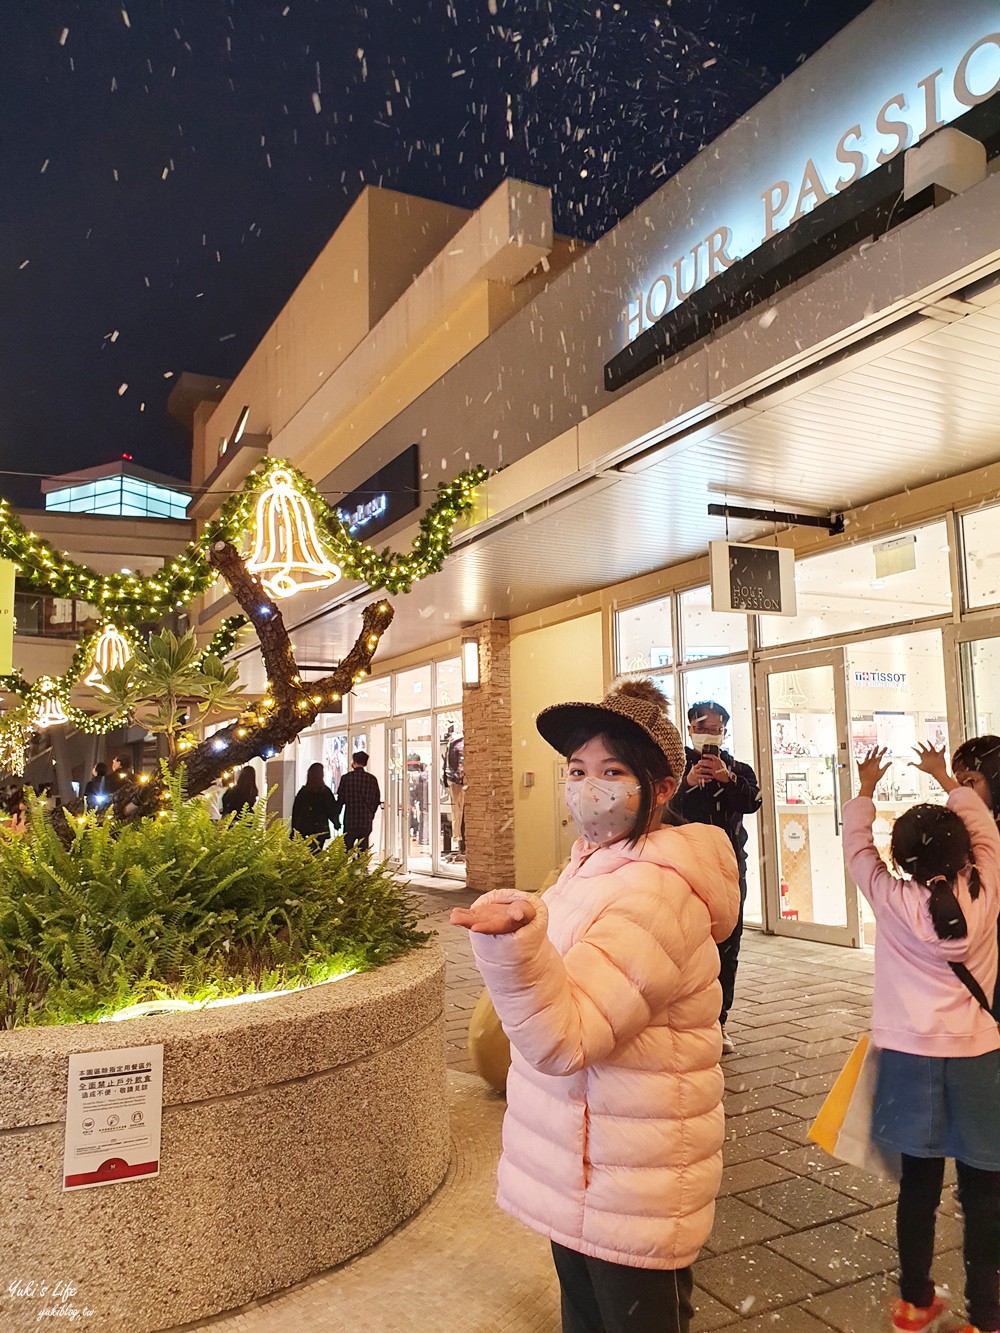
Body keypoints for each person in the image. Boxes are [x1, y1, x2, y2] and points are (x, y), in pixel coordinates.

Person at [451, 684, 740, 1333]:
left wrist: (510, 944)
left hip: (628, 1175)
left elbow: (566, 1038)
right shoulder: (593, 865)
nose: (588, 787)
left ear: (662, 789)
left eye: (612, 772)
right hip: (592, 1158)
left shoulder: (653, 892)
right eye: (577, 771)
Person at [844, 743, 1000, 1333]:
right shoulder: (987, 889)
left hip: (909, 1058)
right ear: (967, 852)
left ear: (899, 861)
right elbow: (985, 830)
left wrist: (865, 789)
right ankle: (986, 1315)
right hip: (979, 1057)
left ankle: (915, 1302)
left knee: (918, 1188)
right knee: (986, 1192)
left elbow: (856, 848)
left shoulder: (889, 900)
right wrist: (945, 777)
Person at [672, 699, 761, 1055]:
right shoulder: (674, 766)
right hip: (684, 864)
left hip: (728, 867)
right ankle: (684, 1020)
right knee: (685, 941)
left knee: (728, 944)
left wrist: (728, 778)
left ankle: (719, 1021)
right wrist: (689, 783)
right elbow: (666, 809)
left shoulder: (738, 767)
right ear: (690, 728)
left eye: (716, 729)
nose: (709, 735)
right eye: (703, 728)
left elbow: (754, 801)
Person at [335, 751, 381, 853]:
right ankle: (361, 868)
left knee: (346, 851)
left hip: (350, 820)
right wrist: (371, 813)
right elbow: (376, 800)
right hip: (365, 821)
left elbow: (341, 799)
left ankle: (347, 868)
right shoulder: (372, 779)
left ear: (354, 762)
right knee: (363, 851)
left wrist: (335, 816)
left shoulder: (346, 778)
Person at [291, 762, 338, 851]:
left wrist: (294, 830)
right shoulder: (325, 792)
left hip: (305, 828)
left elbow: (296, 812)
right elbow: (331, 809)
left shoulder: (303, 792)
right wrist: (336, 823)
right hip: (321, 828)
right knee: (317, 853)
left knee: (306, 853)